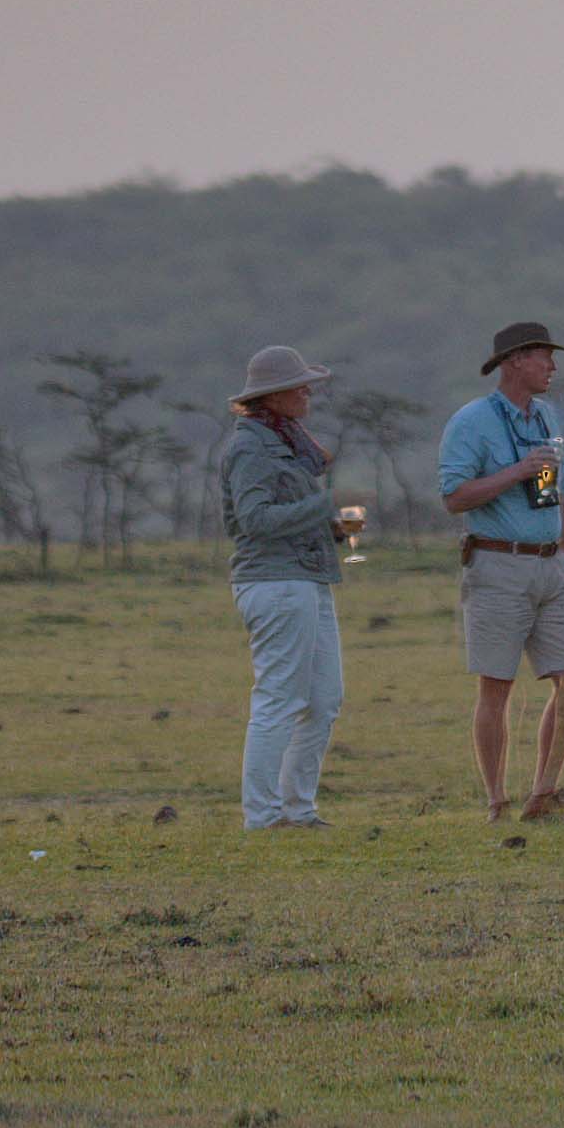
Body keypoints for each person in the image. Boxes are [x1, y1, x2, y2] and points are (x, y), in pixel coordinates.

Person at [436, 318, 564, 824]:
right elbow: (454, 497)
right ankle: (497, 801)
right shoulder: (472, 421)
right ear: (515, 361)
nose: (552, 366)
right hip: (498, 563)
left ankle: (544, 793)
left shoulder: (546, 418)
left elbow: (559, 492)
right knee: (496, 686)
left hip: (551, 567)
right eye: (544, 356)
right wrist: (516, 473)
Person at [220, 346, 350, 832]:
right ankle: (263, 815)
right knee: (279, 699)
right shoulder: (250, 448)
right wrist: (324, 507)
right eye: (299, 385)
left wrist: (332, 528)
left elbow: (278, 516)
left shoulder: (284, 442)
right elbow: (252, 521)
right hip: (275, 581)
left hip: (307, 576)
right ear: (272, 396)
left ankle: (298, 809)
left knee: (323, 699)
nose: (308, 392)